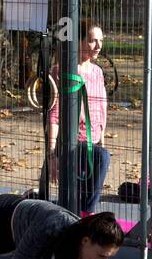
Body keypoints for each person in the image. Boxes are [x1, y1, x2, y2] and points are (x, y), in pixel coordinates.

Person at [47, 19, 110, 214]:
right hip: (72, 143)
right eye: (92, 40)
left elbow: (102, 106)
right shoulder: (62, 71)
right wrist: (52, 155)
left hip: (93, 143)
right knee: (102, 158)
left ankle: (81, 215)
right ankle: (87, 215)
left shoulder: (97, 71)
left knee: (79, 195)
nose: (98, 46)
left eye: (100, 40)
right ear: (79, 42)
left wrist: (102, 138)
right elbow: (55, 114)